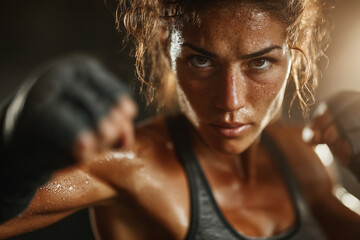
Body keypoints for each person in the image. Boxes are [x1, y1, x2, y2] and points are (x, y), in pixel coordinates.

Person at [1, 0, 360, 239]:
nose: (230, 101)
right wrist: (10, 145)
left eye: (259, 62)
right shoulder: (129, 164)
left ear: (294, 54)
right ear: (164, 46)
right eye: (201, 61)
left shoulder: (305, 155)